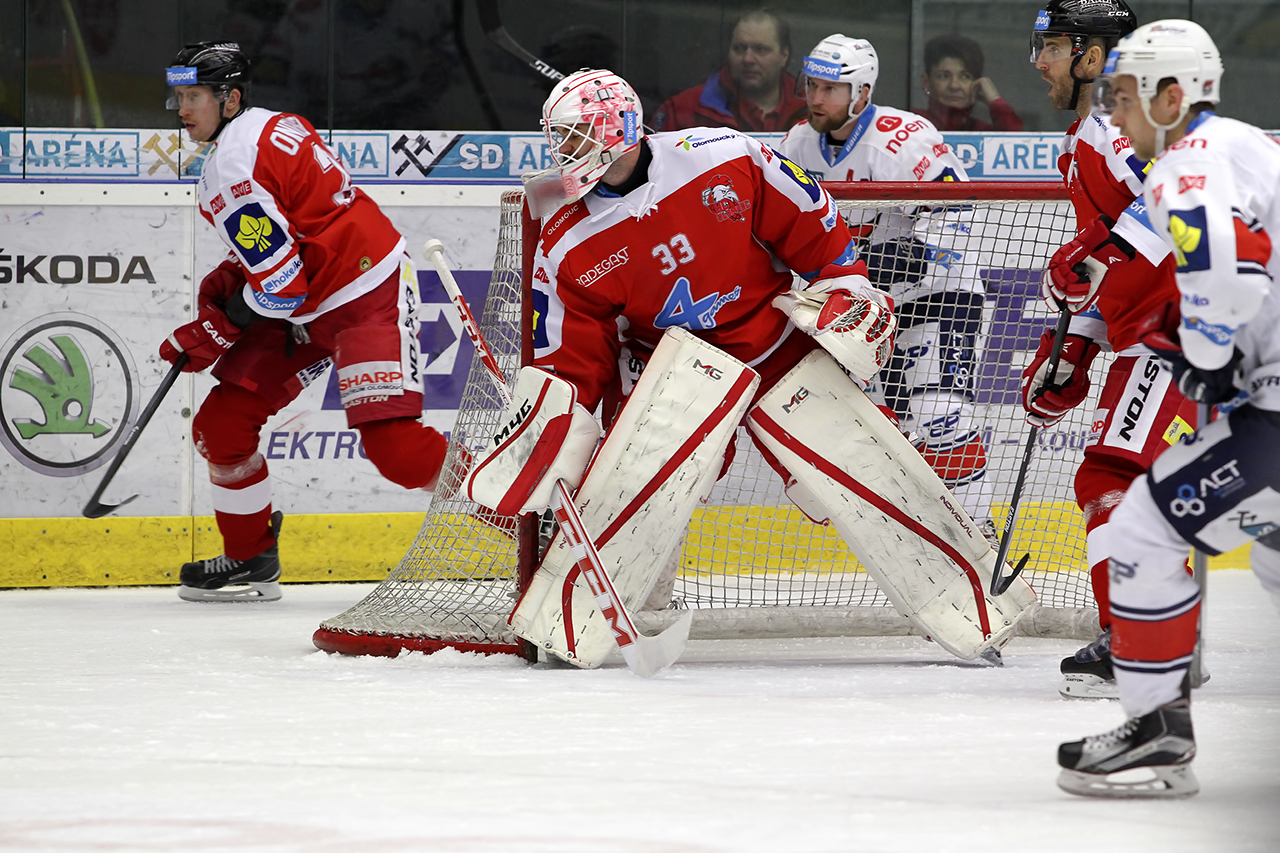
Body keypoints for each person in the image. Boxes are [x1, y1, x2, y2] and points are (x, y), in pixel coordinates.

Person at [495, 68, 1033, 669]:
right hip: (673, 368)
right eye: (559, 136)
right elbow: (574, 356)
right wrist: (559, 424)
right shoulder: (566, 240)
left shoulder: (723, 156)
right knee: (635, 492)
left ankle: (976, 614)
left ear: (618, 129)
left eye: (575, 134)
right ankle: (574, 629)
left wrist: (845, 282)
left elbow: (810, 216)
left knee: (872, 476)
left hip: (774, 343)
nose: (562, 149)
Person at [1057, 18, 1280, 798]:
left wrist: (1207, 355)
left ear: (1172, 96)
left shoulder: (1184, 165)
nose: (1114, 112)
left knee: (1141, 527)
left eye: (1125, 96)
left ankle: (1157, 730)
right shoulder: (1249, 145)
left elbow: (1228, 268)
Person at [161, 42, 448, 602]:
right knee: (222, 427)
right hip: (310, 300)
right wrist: (231, 282)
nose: (183, 110)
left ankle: (535, 524)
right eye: (179, 97)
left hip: (366, 293)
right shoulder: (273, 124)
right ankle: (250, 556)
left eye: (194, 96)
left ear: (230, 99)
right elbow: (293, 237)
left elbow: (282, 285)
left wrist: (215, 330)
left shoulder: (230, 168)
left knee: (399, 452)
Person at [1026, 0, 1198, 700]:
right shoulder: (1084, 140)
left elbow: (1179, 192)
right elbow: (1109, 271)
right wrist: (1075, 347)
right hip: (1159, 329)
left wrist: (1098, 254)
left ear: (1093, 57)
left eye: (1053, 47)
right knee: (1126, 482)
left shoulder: (1119, 126)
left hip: (1187, 326)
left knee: (1112, 477)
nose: (1039, 62)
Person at [777, 34, 1001, 547]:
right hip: (865, 308)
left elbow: (958, 217)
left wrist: (900, 256)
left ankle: (980, 534)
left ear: (861, 93)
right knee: (882, 431)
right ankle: (931, 537)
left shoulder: (904, 139)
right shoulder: (796, 144)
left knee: (940, 412)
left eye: (830, 89)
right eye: (811, 85)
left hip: (939, 294)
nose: (816, 98)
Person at [652, 8, 807, 133]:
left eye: (760, 49)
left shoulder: (812, 109)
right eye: (739, 48)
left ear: (784, 56)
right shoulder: (682, 110)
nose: (748, 59)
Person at [917, 34, 1024, 132]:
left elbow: (1015, 140)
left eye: (965, 76)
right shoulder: (912, 124)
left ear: (978, 85)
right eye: (944, 76)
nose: (954, 86)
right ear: (926, 83)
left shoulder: (982, 132)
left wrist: (995, 102)